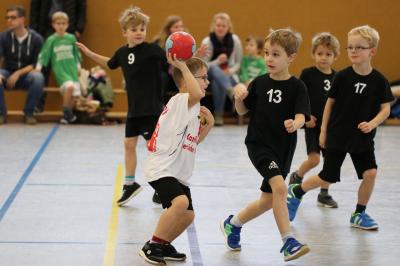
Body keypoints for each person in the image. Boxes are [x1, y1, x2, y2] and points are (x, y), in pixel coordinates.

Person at [287, 25, 394, 230]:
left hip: (362, 138)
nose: (353, 51)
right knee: (328, 176)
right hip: (337, 135)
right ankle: (297, 192)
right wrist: (324, 132)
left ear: (372, 50)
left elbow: (385, 110)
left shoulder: (379, 80)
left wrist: (372, 123)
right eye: (350, 47)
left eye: (359, 47)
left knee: (370, 173)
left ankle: (359, 214)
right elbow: (329, 104)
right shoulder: (343, 76)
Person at [220, 28, 310, 262]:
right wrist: (238, 98)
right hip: (259, 144)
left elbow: (303, 116)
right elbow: (242, 109)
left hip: (283, 149)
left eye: (276, 54)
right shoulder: (258, 83)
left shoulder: (297, 87)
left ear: (291, 57)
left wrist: (296, 122)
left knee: (268, 200)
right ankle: (288, 241)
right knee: (280, 188)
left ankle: (233, 224)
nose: (269, 58)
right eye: (267, 53)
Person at [76, 7, 166, 206]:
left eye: (142, 29)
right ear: (125, 32)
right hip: (134, 109)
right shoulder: (123, 53)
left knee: (154, 150)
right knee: (128, 144)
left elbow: (173, 61)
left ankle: (162, 187)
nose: (139, 32)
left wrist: (191, 58)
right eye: (134, 29)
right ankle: (130, 184)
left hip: (150, 109)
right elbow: (110, 64)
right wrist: (89, 53)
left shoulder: (152, 50)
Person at [139, 55, 214, 265]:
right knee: (180, 203)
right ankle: (152, 245)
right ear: (186, 80)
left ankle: (163, 244)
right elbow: (196, 92)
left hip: (178, 172)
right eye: (203, 77)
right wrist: (182, 65)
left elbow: (193, 142)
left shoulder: (192, 109)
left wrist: (209, 125)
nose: (207, 82)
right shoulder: (180, 101)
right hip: (162, 168)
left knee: (188, 215)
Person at [288, 32, 340, 208]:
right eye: (319, 54)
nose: (323, 58)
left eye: (328, 54)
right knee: (314, 159)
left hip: (331, 127)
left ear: (335, 56)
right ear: (313, 54)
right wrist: (306, 117)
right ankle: (297, 176)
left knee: (330, 161)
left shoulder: (337, 77)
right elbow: (300, 97)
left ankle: (324, 194)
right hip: (313, 124)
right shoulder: (308, 74)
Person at [0, 5, 44, 125]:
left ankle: (29, 113)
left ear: (22, 19)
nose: (9, 20)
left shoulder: (36, 39)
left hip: (26, 75)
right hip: (7, 72)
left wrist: (18, 73)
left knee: (38, 78)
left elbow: (36, 64)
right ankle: (1, 113)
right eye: (7, 18)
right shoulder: (3, 37)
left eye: (13, 17)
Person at [36, 11, 81, 124]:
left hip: (72, 69)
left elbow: (76, 54)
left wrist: (79, 65)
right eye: (58, 23)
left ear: (67, 24)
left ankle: (67, 117)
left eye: (63, 23)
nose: (61, 26)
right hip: (60, 70)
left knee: (74, 95)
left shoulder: (71, 38)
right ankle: (67, 112)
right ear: (53, 25)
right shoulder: (51, 39)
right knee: (69, 87)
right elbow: (44, 54)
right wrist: (38, 67)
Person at [201, 12, 242, 125]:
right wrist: (218, 61)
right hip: (209, 75)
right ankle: (230, 91)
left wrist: (230, 71)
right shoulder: (207, 41)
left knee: (217, 84)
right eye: (218, 25)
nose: (221, 28)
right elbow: (203, 66)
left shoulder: (235, 40)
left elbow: (238, 63)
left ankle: (218, 115)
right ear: (214, 26)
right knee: (214, 67)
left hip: (228, 75)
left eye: (224, 26)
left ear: (228, 27)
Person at [152, 15, 185, 98]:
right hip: (166, 77)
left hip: (180, 76)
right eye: (176, 27)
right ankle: (159, 106)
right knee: (162, 77)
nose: (180, 29)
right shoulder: (158, 42)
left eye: (181, 26)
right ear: (169, 29)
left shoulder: (187, 42)